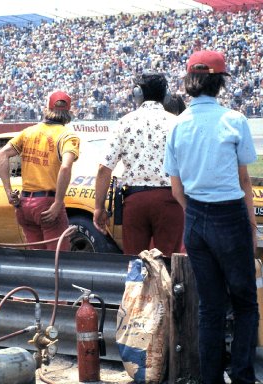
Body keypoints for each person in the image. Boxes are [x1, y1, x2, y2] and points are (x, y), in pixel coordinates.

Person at [164, 50, 258, 384]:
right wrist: (249, 224)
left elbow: (176, 189)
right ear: (218, 82)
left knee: (210, 306)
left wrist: (196, 215)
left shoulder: (177, 125)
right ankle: (243, 376)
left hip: (196, 217)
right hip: (228, 215)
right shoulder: (234, 119)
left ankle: (210, 379)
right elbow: (244, 179)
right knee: (245, 302)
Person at [93, 72, 184, 257]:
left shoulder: (124, 122)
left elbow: (104, 168)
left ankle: (136, 287)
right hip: (170, 199)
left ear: (137, 93)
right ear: (166, 94)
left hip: (135, 200)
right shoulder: (177, 123)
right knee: (167, 264)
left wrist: (98, 207)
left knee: (135, 263)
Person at [0, 90, 80, 251]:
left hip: (24, 203)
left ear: (47, 108)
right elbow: (65, 166)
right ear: (68, 112)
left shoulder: (28, 132)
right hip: (47, 204)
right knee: (59, 259)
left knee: (36, 260)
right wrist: (57, 202)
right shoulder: (67, 136)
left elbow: (2, 154)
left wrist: (8, 192)